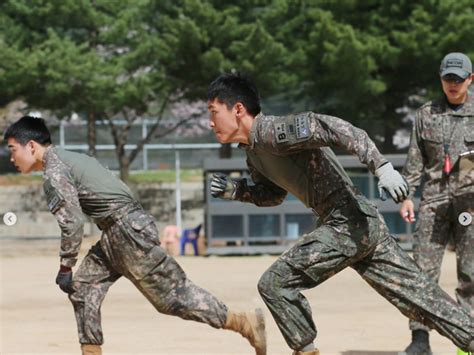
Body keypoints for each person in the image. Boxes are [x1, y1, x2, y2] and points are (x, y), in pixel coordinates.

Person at [206, 73, 474, 355]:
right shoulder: (253, 153)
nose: (210, 122)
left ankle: (305, 350)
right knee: (421, 298)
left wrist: (382, 168)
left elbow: (339, 130)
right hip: (357, 224)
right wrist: (237, 191)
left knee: (275, 283)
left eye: (214, 112)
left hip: (346, 221)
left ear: (238, 109)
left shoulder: (274, 131)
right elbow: (274, 194)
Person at [4, 116, 266, 355]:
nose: (11, 158)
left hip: (127, 232)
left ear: (32, 146)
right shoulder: (65, 157)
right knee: (83, 290)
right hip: (118, 232)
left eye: (13, 149)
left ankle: (244, 323)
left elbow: (72, 223)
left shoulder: (54, 171)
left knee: (173, 297)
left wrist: (65, 265)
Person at [400, 52, 473, 355]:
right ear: (441, 79)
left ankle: (467, 338)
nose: (453, 84)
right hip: (433, 200)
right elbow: (415, 160)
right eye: (448, 79)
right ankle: (420, 338)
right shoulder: (425, 114)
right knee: (422, 271)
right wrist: (406, 196)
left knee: (470, 271)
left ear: (471, 79)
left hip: (470, 201)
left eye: (459, 79)